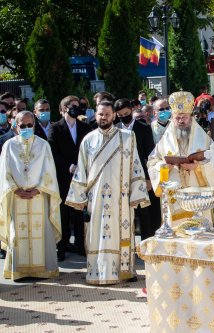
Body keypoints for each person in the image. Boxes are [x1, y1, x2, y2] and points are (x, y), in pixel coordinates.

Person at [65, 101, 150, 285]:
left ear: (114, 116)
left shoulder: (127, 137)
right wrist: (79, 199)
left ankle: (123, 271)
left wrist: (136, 194)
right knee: (96, 235)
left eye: (107, 114)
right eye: (100, 114)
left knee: (120, 233)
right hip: (95, 198)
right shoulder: (88, 140)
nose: (103, 117)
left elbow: (136, 166)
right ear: (95, 115)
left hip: (121, 197)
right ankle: (97, 272)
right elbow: (82, 170)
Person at [0, 111, 61, 280]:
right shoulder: (9, 145)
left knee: (41, 231)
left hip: (39, 197)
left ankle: (44, 269)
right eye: (22, 126)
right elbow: (4, 172)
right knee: (17, 232)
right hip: (16, 197)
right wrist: (14, 188)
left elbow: (49, 171)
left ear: (34, 125)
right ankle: (19, 270)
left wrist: (39, 189)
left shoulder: (43, 145)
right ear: (15, 126)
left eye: (29, 125)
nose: (26, 128)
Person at [147, 91, 214, 228]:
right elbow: (152, 161)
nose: (181, 120)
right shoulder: (165, 140)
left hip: (198, 198)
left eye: (184, 117)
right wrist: (163, 167)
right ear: (172, 118)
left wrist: (197, 167)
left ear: (191, 117)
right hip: (174, 197)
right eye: (177, 117)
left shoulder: (203, 139)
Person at [48, 95, 93, 261]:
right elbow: (53, 152)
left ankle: (82, 246)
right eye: (73, 106)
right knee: (64, 213)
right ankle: (62, 246)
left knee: (79, 211)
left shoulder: (85, 127)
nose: (77, 108)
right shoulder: (55, 128)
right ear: (64, 108)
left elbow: (90, 150)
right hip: (63, 177)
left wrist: (82, 166)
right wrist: (69, 165)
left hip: (82, 177)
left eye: (78, 105)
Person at [115, 99, 160, 240]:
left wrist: (148, 179)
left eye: (127, 113)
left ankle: (146, 243)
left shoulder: (143, 128)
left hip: (140, 176)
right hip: (121, 177)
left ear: (132, 110)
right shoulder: (114, 129)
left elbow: (150, 155)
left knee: (144, 212)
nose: (124, 117)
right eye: (120, 115)